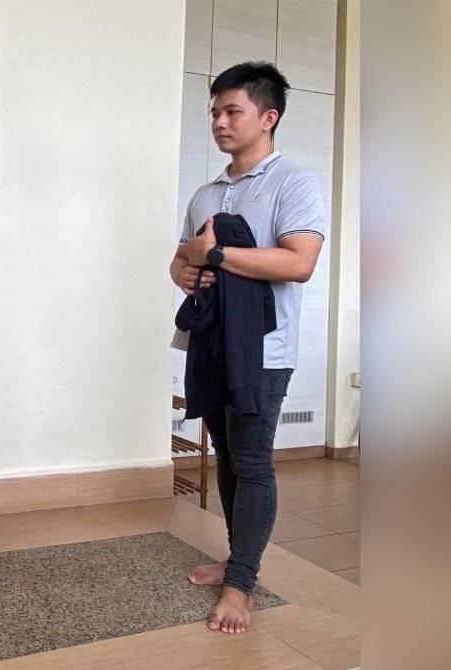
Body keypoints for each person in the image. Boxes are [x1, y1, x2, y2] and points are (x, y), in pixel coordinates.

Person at [171, 61, 325, 635]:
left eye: (232, 111)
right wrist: (187, 272)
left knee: (253, 462)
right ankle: (237, 560)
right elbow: (180, 260)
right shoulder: (206, 193)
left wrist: (214, 255)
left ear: (268, 117)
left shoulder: (294, 183)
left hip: (265, 352)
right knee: (228, 458)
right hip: (210, 343)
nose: (219, 121)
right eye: (214, 111)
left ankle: (241, 585)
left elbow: (298, 263)